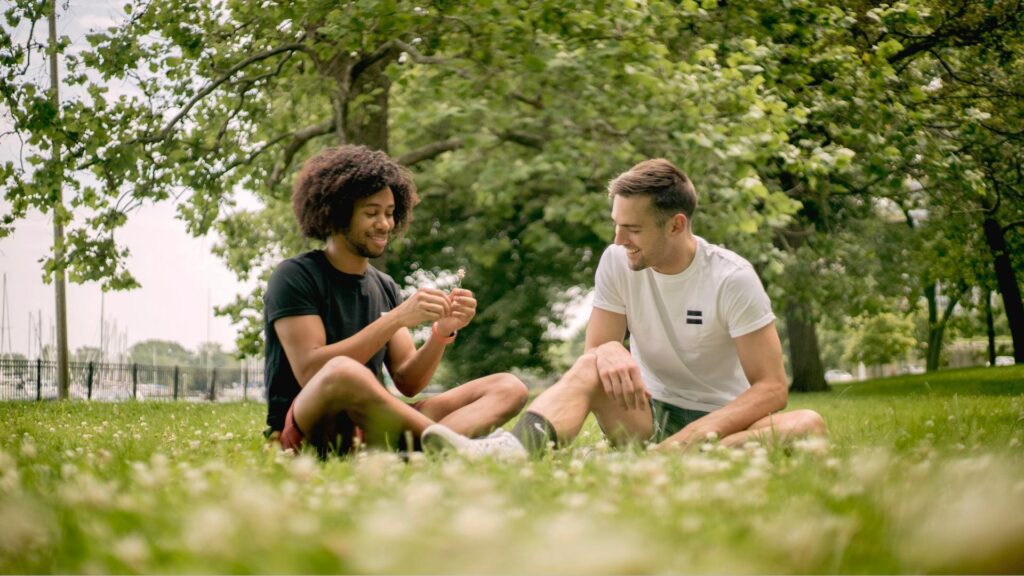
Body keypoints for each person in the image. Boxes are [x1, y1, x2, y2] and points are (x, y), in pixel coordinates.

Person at [423, 158, 826, 457]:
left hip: (726, 419)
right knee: (589, 367)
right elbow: (595, 356)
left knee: (808, 425)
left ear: (676, 225)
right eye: (616, 224)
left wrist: (687, 438)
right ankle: (512, 450)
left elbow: (772, 388)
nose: (618, 239)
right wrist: (609, 350)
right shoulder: (617, 260)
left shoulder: (731, 278)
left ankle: (677, 456)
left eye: (632, 229)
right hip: (647, 411)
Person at [263, 145, 528, 458]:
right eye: (371, 213)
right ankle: (458, 447)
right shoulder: (294, 276)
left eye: (389, 213)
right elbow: (310, 371)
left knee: (508, 387)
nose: (385, 224)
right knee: (342, 372)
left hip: (369, 430)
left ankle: (426, 448)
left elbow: (408, 380)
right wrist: (396, 318)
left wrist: (441, 333)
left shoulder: (384, 285)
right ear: (336, 214)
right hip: (310, 428)